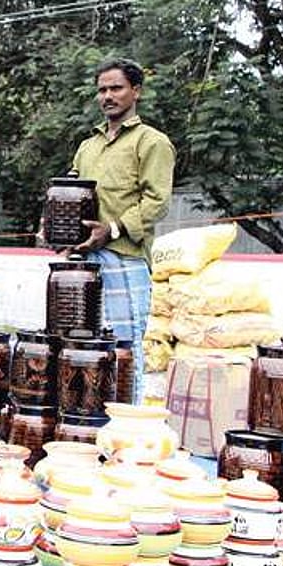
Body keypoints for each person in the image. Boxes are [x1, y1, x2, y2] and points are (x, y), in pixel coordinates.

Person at [60, 57, 174, 402]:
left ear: (136, 91)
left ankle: (127, 424)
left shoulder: (151, 142)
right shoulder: (88, 147)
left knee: (122, 350)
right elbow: (69, 192)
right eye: (102, 90)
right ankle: (84, 420)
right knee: (78, 345)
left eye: (116, 88)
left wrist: (111, 230)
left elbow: (157, 202)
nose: (107, 96)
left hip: (124, 258)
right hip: (82, 265)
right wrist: (54, 226)